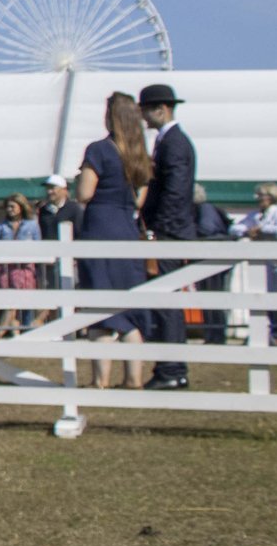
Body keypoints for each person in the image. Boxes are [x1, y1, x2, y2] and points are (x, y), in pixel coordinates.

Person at [75, 92, 152, 389]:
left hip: (100, 228)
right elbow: (140, 200)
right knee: (128, 306)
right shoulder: (139, 155)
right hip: (127, 230)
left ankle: (100, 380)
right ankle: (134, 379)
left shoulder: (99, 150)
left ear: (111, 117)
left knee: (100, 304)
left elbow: (84, 193)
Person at [136, 84, 197, 388]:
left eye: (146, 110)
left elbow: (175, 190)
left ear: (160, 109)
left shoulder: (173, 143)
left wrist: (159, 228)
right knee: (164, 300)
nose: (143, 117)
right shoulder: (170, 141)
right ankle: (170, 367)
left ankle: (172, 369)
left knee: (166, 300)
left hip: (169, 231)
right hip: (170, 229)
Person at [0, 193, 41, 334]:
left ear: (21, 207)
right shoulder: (1, 226)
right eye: (7, 206)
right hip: (5, 268)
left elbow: (38, 244)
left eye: (13, 206)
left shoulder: (32, 225)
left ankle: (26, 330)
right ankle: (12, 331)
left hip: (25, 269)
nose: (10, 209)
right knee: (9, 301)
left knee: (26, 301)